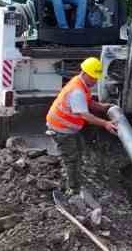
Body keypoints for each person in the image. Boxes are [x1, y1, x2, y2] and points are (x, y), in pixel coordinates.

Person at [46, 57, 117, 197]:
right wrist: (106, 124)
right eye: (93, 78)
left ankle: (74, 180)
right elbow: (86, 116)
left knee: (78, 152)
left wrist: (103, 108)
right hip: (61, 129)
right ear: (85, 73)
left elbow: (89, 103)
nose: (95, 81)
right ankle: (73, 191)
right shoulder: (77, 91)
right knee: (71, 159)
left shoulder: (80, 84)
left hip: (68, 128)